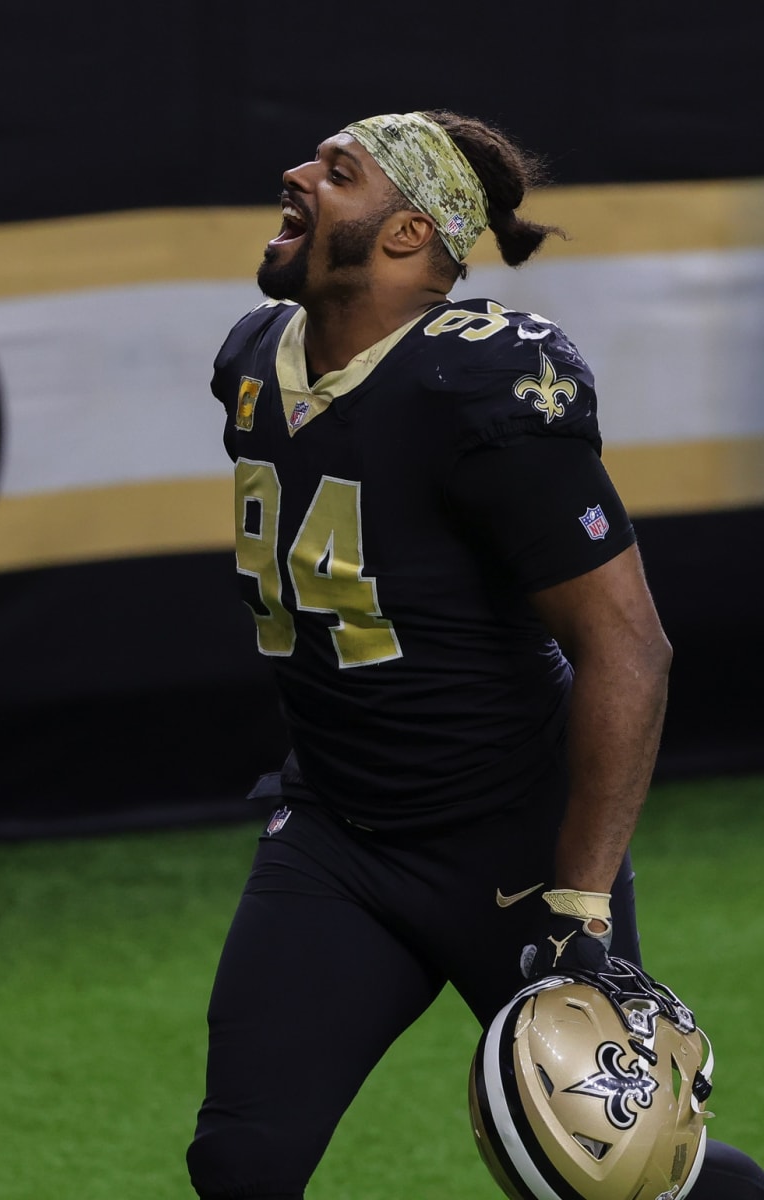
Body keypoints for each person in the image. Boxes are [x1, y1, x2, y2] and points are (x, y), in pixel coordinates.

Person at [185, 110, 764, 1199]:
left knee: (618, 1184)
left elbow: (628, 648)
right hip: (338, 832)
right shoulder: (255, 356)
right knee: (241, 1162)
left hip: (512, 851)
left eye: (337, 171)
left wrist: (581, 905)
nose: (298, 174)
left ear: (407, 234)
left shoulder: (483, 384)